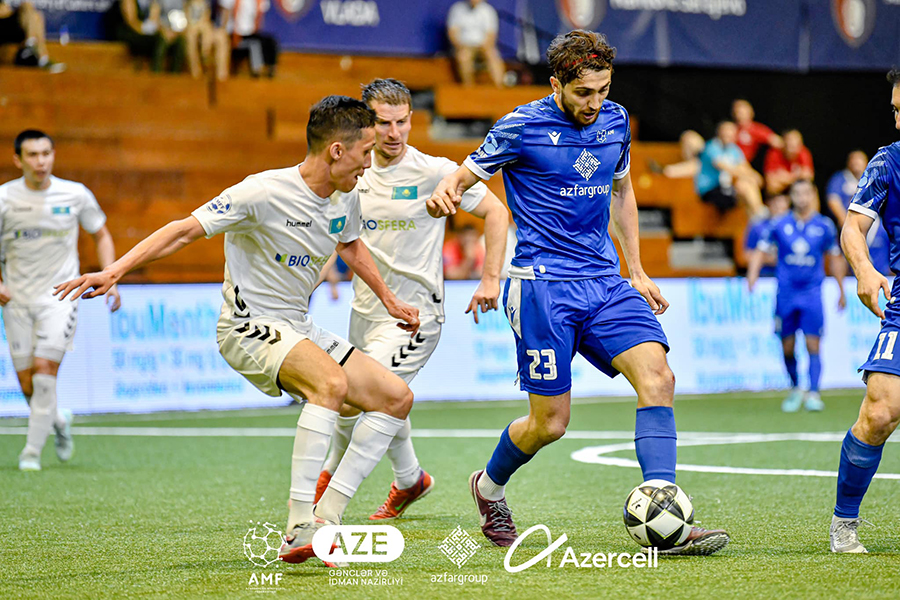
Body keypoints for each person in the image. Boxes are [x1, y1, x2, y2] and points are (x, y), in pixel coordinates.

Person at [54, 96, 421, 565]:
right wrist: (115, 270)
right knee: (330, 385)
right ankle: (299, 525)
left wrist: (388, 298)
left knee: (396, 398)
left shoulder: (345, 194)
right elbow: (184, 230)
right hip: (248, 327)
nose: (369, 164)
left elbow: (350, 245)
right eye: (365, 152)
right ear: (336, 151)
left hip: (298, 325)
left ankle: (327, 516)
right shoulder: (261, 192)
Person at [429, 29, 729, 555]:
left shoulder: (616, 121)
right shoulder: (521, 126)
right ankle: (489, 486)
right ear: (556, 84)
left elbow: (622, 191)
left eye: (603, 90)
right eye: (584, 92)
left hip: (605, 282)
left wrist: (637, 270)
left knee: (658, 378)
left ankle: (667, 520)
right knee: (550, 424)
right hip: (542, 288)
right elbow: (464, 175)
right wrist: (444, 191)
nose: (595, 103)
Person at [314, 78, 509, 521]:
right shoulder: (353, 173)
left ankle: (327, 500)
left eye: (402, 122)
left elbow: (496, 212)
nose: (394, 132)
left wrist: (489, 279)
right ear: (366, 122)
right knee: (365, 398)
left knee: (361, 397)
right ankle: (409, 479)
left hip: (416, 318)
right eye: (384, 123)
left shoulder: (434, 171)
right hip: (365, 311)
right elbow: (340, 237)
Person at [1, 130, 121, 471]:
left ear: (53, 155)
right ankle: (58, 420)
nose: (40, 161)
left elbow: (101, 234)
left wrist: (110, 276)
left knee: (44, 371)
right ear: (18, 160)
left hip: (61, 297)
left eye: (46, 153)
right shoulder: (4, 198)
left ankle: (30, 454)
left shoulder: (75, 194)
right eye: (32, 155)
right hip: (16, 301)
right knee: (28, 383)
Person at [829, 69, 900, 553]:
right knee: (879, 410)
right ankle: (844, 521)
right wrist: (865, 269)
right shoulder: (888, 161)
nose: (897, 122)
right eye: (895, 110)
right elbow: (853, 228)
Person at [747, 180, 846, 412]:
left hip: (812, 293)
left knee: (813, 343)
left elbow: (835, 257)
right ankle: (795, 388)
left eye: (806, 193)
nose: (802, 197)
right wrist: (752, 275)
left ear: (813, 195)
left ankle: (813, 392)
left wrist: (841, 288)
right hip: (786, 293)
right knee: (787, 346)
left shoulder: (824, 226)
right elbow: (760, 250)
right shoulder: (779, 224)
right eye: (797, 193)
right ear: (792, 197)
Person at [827, 150, 890, 275]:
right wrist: (845, 221)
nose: (856, 163)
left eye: (860, 160)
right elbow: (833, 199)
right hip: (848, 221)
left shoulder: (874, 177)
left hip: (872, 219)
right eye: (854, 160)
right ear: (848, 163)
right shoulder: (840, 179)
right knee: (846, 247)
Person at [695, 121, 766, 218]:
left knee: (745, 185)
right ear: (719, 132)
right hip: (710, 190)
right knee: (743, 186)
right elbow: (724, 167)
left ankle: (757, 215)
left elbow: (744, 166)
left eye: (731, 132)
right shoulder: (711, 147)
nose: (728, 134)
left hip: (726, 188)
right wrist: (749, 176)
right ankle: (760, 214)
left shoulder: (734, 149)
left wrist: (755, 176)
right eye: (726, 131)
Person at [108, 0, 186, 73]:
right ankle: (156, 73)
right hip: (131, 32)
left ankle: (175, 75)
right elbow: (132, 22)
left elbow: (155, 19)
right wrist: (147, 30)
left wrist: (165, 31)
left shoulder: (154, 2)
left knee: (179, 41)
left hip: (149, 32)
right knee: (161, 40)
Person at [447, 0, 505, 87]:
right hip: (464, 46)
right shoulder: (457, 9)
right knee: (463, 56)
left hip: (483, 46)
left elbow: (491, 35)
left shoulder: (488, 10)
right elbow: (452, 33)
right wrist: (460, 46)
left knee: (492, 55)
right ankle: (469, 87)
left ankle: (500, 87)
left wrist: (484, 47)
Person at [218, 0, 278, 78]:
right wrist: (234, 33)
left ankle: (270, 68)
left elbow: (260, 16)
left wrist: (256, 28)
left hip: (251, 32)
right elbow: (225, 15)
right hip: (235, 33)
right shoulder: (230, 3)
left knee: (270, 42)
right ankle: (256, 69)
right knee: (254, 44)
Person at [0, 0, 64, 72]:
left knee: (36, 15)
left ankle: (41, 56)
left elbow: (6, 9)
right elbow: (3, 11)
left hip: (8, 27)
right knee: (26, 6)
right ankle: (31, 46)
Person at [743, 194, 789, 278]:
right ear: (768, 204)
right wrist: (768, 259)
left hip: (789, 275)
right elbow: (746, 255)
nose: (778, 206)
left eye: (782, 202)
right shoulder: (758, 227)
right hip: (763, 275)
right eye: (775, 202)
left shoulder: (795, 226)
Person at [184, 0, 229, 81]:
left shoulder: (214, 2)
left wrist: (220, 27)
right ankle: (196, 73)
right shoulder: (189, 3)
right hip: (193, 26)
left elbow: (223, 12)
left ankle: (221, 76)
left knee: (221, 38)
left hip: (212, 27)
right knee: (191, 38)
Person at [763, 129, 814, 197]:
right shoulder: (774, 153)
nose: (792, 147)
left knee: (810, 189)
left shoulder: (803, 152)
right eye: (790, 143)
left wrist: (785, 178)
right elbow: (770, 183)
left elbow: (808, 175)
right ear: (784, 143)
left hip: (798, 192)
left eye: (796, 144)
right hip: (779, 194)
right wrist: (797, 176)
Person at [732, 99, 782, 164]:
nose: (740, 116)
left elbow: (777, 142)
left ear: (751, 113)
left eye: (743, 113)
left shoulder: (756, 129)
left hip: (742, 164)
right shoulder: (731, 129)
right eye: (738, 113)